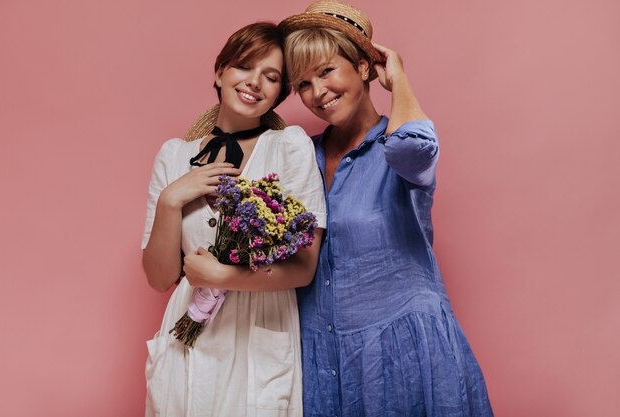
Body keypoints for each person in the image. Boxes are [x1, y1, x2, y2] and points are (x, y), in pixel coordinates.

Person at [279, 1, 494, 416]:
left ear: (363, 67)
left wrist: (399, 80)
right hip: (321, 359)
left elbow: (416, 147)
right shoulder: (301, 155)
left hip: (404, 357)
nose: (317, 93)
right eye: (303, 84)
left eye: (326, 71)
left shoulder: (395, 149)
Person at [141, 22, 326, 417]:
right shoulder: (173, 156)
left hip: (258, 336)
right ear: (220, 71)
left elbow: (304, 268)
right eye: (245, 66)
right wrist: (172, 200)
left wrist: (221, 276)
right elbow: (160, 279)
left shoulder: (290, 147)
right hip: (185, 336)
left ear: (281, 92)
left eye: (272, 77)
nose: (255, 82)